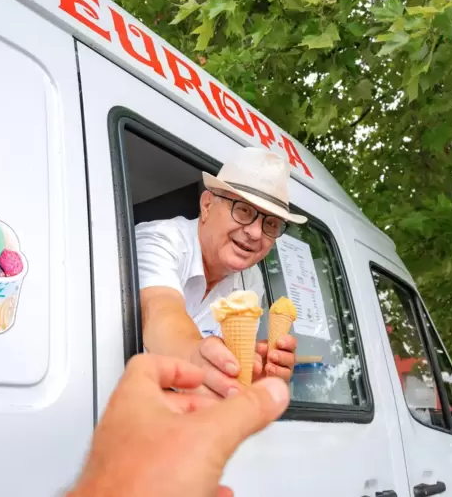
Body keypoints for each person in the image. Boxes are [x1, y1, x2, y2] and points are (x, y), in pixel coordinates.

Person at [135, 147, 306, 398]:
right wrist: (195, 356)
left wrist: (249, 375)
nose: (256, 233)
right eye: (243, 210)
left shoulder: (252, 280)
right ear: (206, 205)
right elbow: (160, 312)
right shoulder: (159, 239)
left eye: (271, 224)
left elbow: (233, 367)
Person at [67, 353, 290, 497]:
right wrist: (193, 350)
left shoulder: (251, 283)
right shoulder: (167, 277)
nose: (241, 274)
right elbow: (164, 311)